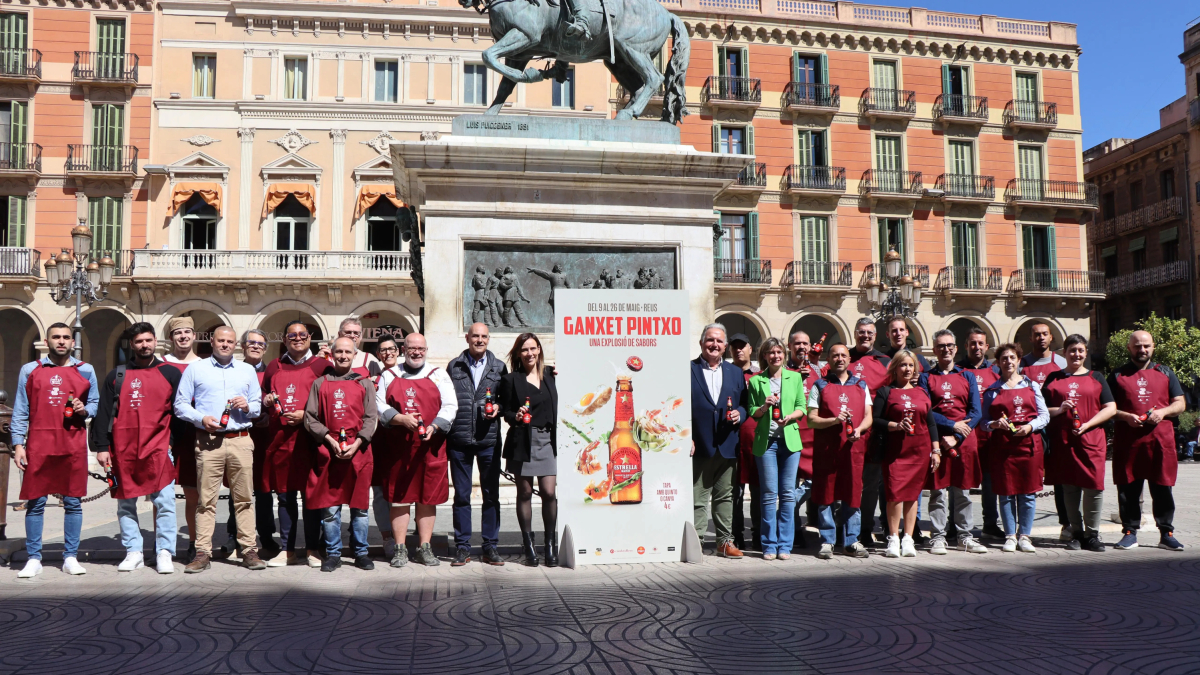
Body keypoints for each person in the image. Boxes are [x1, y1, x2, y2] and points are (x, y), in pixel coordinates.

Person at [91, 322, 182, 574]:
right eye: (139, 341)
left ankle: (164, 552)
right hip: (122, 450)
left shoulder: (170, 373)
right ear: (132, 345)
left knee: (164, 502)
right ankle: (133, 551)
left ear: (156, 342)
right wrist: (102, 447)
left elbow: (178, 413)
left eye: (148, 340)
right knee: (125, 504)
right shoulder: (116, 374)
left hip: (159, 448)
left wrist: (170, 443)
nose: (144, 345)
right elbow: (103, 413)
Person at [11, 323, 99, 578]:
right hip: (39, 445)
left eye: (66, 337)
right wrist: (18, 445)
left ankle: (70, 556)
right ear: (47, 341)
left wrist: (85, 410)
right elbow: (20, 410)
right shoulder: (30, 370)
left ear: (73, 342)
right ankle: (33, 558)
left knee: (73, 502)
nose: (61, 341)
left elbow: (95, 403)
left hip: (72, 444)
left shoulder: (86, 370)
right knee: (35, 503)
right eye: (56, 337)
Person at [174, 325, 265, 573]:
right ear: (211, 342)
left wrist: (247, 406)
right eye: (221, 340)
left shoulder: (247, 371)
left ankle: (248, 550)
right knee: (206, 500)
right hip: (208, 440)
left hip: (241, 438)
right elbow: (180, 404)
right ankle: (203, 552)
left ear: (237, 345)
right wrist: (200, 418)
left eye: (230, 341)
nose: (225, 345)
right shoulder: (196, 369)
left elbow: (257, 407)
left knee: (245, 499)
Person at [376, 333, 457, 566]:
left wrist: (435, 426)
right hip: (399, 448)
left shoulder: (438, 375)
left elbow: (451, 405)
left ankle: (424, 547)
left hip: (430, 447)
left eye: (421, 349)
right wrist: (400, 418)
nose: (417, 352)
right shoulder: (389, 375)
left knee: (427, 498)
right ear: (404, 349)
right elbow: (378, 404)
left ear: (426, 349)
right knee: (400, 499)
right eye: (412, 348)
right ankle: (400, 548)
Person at [303, 337, 379, 572]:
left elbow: (371, 418)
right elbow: (310, 418)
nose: (343, 356)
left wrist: (356, 443)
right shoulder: (320, 383)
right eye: (339, 352)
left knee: (360, 508)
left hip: (359, 453)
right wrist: (329, 440)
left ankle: (361, 552)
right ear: (332, 355)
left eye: (348, 352)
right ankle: (333, 554)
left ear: (354, 354)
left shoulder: (364, 383)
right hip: (329, 453)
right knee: (330, 509)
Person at [1108, 330, 1187, 551]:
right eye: (1137, 346)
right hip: (1128, 442)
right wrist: (1126, 416)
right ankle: (1129, 532)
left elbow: (1180, 403)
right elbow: (1106, 408)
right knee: (1128, 489)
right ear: (1129, 348)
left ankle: (1166, 533)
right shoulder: (1117, 375)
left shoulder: (1166, 372)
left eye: (1146, 346)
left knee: (1162, 487)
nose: (1142, 350)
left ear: (1153, 347)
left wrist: (1163, 412)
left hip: (1160, 442)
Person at [261, 321, 330, 567]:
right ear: (285, 338)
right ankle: (287, 550)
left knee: (312, 496)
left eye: (302, 335)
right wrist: (267, 399)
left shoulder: (323, 366)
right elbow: (262, 394)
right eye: (292, 335)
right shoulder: (274, 366)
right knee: (285, 497)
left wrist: (306, 415)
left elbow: (331, 400)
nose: (298, 338)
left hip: (310, 441)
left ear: (310, 337)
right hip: (280, 441)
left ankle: (312, 548)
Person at [1042, 334, 1116, 552]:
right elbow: (1040, 410)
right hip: (1063, 441)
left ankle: (1092, 534)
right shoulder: (1053, 378)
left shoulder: (1097, 377)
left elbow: (1110, 407)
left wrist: (1088, 424)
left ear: (1086, 353)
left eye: (1080, 350)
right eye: (1072, 350)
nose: (1076, 354)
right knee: (1069, 487)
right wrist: (1059, 410)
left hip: (1091, 440)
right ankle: (1075, 532)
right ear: (1064, 353)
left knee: (1094, 486)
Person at [446, 323, 508, 566]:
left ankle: (490, 546)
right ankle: (462, 547)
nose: (479, 340)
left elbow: (507, 400)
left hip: (488, 440)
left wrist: (500, 408)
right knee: (461, 496)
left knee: (491, 495)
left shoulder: (499, 367)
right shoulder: (454, 365)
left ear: (488, 339)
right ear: (467, 338)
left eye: (483, 336)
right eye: (475, 336)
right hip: (459, 440)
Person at [919, 330, 986, 555]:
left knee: (963, 491)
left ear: (956, 348)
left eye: (950, 345)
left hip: (964, 440)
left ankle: (964, 536)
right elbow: (927, 411)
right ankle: (937, 536)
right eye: (941, 346)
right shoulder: (926, 377)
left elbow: (976, 412)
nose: (945, 349)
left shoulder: (967, 376)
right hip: (938, 440)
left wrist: (957, 435)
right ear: (935, 350)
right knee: (938, 491)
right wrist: (951, 426)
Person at [981, 343, 1049, 554]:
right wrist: (994, 424)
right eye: (1004, 358)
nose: (1008, 362)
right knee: (1006, 494)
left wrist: (1030, 426)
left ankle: (1025, 536)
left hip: (1028, 446)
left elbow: (1044, 416)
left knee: (1027, 493)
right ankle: (1010, 535)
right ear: (998, 363)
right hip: (1003, 448)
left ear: (1019, 360)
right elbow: (983, 421)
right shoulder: (992, 391)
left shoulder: (1032, 386)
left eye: (1012, 358)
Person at [806, 344, 872, 559]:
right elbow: (812, 419)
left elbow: (868, 416)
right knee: (826, 494)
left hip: (853, 449)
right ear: (829, 359)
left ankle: (852, 540)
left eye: (843, 355)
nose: (840, 358)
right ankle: (827, 540)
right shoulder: (820, 385)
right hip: (827, 450)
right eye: (835, 355)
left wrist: (859, 430)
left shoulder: (862, 385)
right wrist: (834, 421)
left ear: (849, 358)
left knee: (852, 492)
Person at [499, 332, 559, 567]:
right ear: (518, 353)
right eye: (524, 350)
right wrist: (516, 415)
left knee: (549, 493)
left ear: (540, 350)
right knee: (524, 493)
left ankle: (550, 544)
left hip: (547, 441)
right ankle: (529, 545)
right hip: (522, 441)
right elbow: (504, 411)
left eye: (533, 348)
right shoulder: (511, 380)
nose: (529, 353)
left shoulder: (550, 375)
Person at [872, 350, 939, 558]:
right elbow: (875, 421)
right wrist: (895, 425)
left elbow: (930, 423)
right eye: (903, 365)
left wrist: (936, 450)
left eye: (911, 365)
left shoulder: (921, 392)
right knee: (894, 495)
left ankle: (908, 538)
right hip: (895, 452)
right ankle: (893, 537)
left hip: (919, 451)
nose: (907, 369)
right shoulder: (886, 392)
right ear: (895, 367)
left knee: (912, 496)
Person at [746, 338, 806, 560]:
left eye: (779, 352)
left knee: (788, 495)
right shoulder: (756, 381)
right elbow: (753, 411)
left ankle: (785, 545)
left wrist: (790, 417)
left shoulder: (795, 377)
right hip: (767, 443)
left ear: (784, 354)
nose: (775, 356)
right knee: (769, 495)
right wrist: (764, 406)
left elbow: (802, 406)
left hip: (790, 442)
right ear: (764, 356)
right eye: (771, 353)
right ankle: (769, 544)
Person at [690, 323, 746, 559]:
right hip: (699, 444)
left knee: (725, 496)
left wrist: (740, 415)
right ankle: (696, 542)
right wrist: (686, 436)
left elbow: (745, 404)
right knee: (698, 497)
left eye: (719, 341)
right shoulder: (688, 369)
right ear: (702, 343)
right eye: (710, 340)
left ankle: (724, 542)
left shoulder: (736, 372)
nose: (714, 345)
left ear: (725, 347)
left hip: (727, 443)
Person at [1019, 322, 1070, 543]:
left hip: (1057, 430)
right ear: (1030, 338)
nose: (1041, 338)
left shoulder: (1061, 363)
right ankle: (1020, 529)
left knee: (1060, 479)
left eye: (1044, 334)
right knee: (1026, 479)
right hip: (1030, 432)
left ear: (1051, 338)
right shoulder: (1021, 365)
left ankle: (1067, 524)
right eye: (1036, 334)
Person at [846, 318, 891, 547]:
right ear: (855, 333)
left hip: (874, 433)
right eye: (861, 332)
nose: (865, 336)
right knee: (847, 481)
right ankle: (845, 528)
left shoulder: (885, 362)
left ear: (875, 336)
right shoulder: (844, 358)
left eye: (869, 333)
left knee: (872, 483)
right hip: (846, 432)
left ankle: (866, 529)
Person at [161, 316, 201, 562]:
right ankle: (162, 546)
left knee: (193, 495)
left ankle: (195, 542)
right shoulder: (161, 364)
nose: (183, 336)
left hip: (193, 435)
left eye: (187, 332)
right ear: (171, 338)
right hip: (164, 435)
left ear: (194, 335)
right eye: (178, 333)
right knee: (161, 495)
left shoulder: (204, 364)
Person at [958, 327, 1003, 540]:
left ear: (987, 347)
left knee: (989, 482)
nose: (976, 347)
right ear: (966, 346)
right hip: (964, 435)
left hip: (989, 437)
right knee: (959, 481)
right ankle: (955, 525)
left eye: (980, 343)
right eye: (972, 343)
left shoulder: (996, 371)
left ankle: (990, 523)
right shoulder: (957, 370)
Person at [240, 329, 279, 560]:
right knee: (239, 487)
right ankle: (234, 533)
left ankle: (266, 534)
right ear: (243, 346)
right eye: (251, 343)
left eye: (260, 344)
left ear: (265, 348)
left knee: (264, 488)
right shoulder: (233, 370)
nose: (255, 346)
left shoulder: (271, 372)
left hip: (265, 437)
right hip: (239, 435)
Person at [783, 330, 819, 547]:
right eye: (797, 344)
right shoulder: (782, 370)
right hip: (791, 434)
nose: (802, 347)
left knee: (817, 481)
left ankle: (786, 509)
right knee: (790, 484)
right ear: (790, 346)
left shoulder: (817, 370)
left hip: (814, 436)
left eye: (805, 343)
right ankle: (793, 531)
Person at [371, 337, 401, 558]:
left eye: (392, 348)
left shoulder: (409, 373)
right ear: (378, 354)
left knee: (405, 490)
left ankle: (411, 534)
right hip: (379, 440)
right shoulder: (372, 378)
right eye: (383, 350)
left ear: (398, 351)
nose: (388, 353)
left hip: (403, 440)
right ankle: (387, 537)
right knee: (380, 492)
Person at [730, 333, 760, 551]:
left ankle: (759, 533)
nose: (738, 350)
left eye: (742, 346)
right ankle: (735, 534)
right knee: (734, 492)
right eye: (735, 347)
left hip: (756, 440)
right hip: (731, 441)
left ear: (751, 349)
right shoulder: (725, 374)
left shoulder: (760, 375)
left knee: (758, 491)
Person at [318, 317, 383, 378]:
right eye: (348, 332)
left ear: (361, 337)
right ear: (339, 334)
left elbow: (376, 385)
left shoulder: (370, 359)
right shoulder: (327, 356)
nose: (352, 336)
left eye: (356, 333)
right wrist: (318, 362)